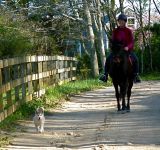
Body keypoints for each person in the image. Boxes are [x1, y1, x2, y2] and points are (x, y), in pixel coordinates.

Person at [103, 13, 141, 83]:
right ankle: (105, 75)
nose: (121, 22)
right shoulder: (115, 31)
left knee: (135, 59)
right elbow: (113, 41)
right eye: (119, 21)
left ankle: (136, 75)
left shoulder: (128, 31)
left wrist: (127, 47)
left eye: (122, 21)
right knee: (108, 58)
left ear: (125, 22)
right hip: (117, 50)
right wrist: (113, 46)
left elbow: (131, 42)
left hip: (126, 50)